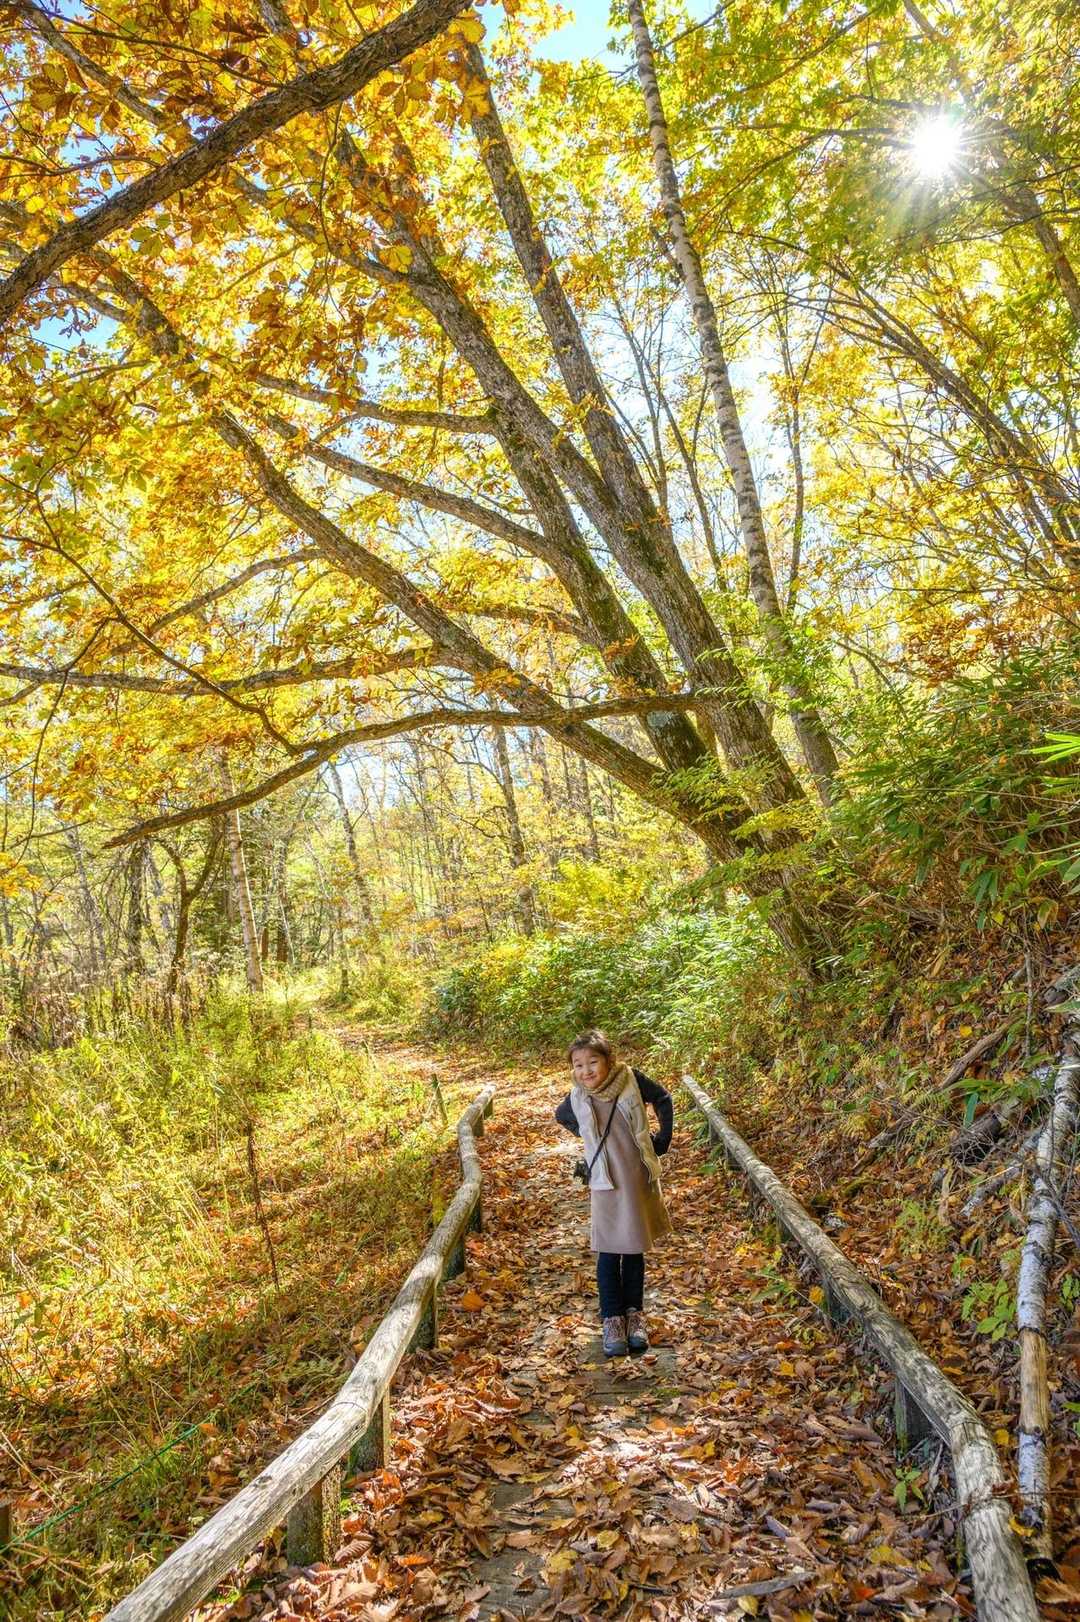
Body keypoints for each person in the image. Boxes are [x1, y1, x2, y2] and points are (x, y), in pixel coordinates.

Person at [555, 1029, 673, 1357]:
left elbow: (663, 1098)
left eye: (593, 1062)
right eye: (578, 1065)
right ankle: (612, 1320)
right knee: (608, 1251)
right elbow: (561, 1116)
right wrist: (589, 1137)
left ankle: (635, 1317)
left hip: (635, 1176)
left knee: (633, 1248)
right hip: (604, 1181)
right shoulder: (577, 1095)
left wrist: (662, 1139)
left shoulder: (630, 1079)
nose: (586, 1071)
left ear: (609, 1060)